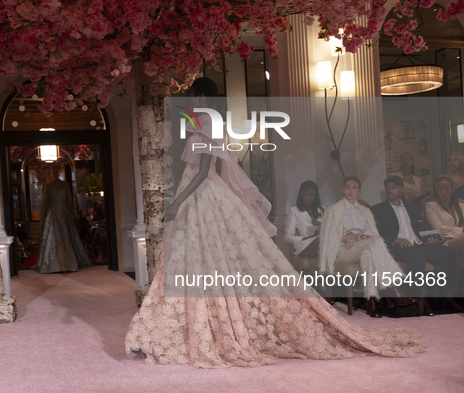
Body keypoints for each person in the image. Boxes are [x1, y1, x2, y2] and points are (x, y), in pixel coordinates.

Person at [125, 78, 424, 368]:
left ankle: (202, 328)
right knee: (192, 261)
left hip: (202, 194)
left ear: (201, 97)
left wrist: (178, 202)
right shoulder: (203, 120)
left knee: (207, 260)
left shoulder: (209, 121)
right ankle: (171, 329)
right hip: (199, 196)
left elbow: (204, 170)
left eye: (191, 94)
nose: (188, 99)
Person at [318, 176, 415, 318]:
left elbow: (370, 234)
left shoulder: (365, 211)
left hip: (363, 245)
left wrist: (359, 239)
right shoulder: (333, 210)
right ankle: (392, 288)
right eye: (348, 187)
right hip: (343, 250)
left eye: (354, 187)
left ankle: (372, 301)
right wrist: (350, 238)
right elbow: (330, 237)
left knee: (369, 254)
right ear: (343, 189)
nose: (351, 190)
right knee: (377, 241)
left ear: (359, 191)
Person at [371, 176, 464, 315]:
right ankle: (422, 299)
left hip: (418, 244)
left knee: (448, 252)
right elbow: (376, 232)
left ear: (401, 189)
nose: (390, 190)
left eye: (394, 187)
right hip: (396, 247)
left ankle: (449, 298)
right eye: (388, 187)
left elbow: (420, 231)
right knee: (416, 255)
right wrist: (396, 239)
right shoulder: (378, 209)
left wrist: (430, 239)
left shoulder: (412, 208)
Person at [37, 166, 91, 273]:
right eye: (54, 171)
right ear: (52, 173)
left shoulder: (65, 185)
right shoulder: (49, 186)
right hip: (53, 213)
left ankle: (68, 263)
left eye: (57, 171)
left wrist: (71, 213)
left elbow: (69, 200)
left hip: (64, 212)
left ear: (59, 172)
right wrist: (45, 215)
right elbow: (46, 202)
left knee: (65, 237)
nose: (55, 173)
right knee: (53, 237)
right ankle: (52, 264)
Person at [284, 181, 324, 258]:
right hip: (304, 243)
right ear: (301, 194)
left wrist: (320, 224)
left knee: (328, 239)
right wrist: (306, 238)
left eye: (313, 195)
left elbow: (327, 230)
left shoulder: (320, 210)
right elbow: (287, 237)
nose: (310, 198)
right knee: (323, 240)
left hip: (320, 242)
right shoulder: (293, 211)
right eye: (307, 195)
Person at [425, 177, 464, 255]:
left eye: (447, 188)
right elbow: (438, 228)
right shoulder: (431, 206)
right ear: (437, 190)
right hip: (444, 242)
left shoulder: (461, 206)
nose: (443, 192)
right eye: (441, 189)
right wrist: (461, 230)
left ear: (452, 190)